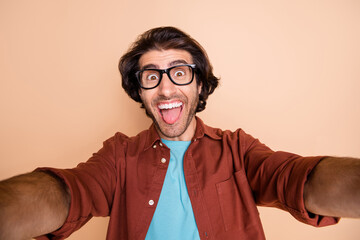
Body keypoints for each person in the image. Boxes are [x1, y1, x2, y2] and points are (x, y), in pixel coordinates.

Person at [0, 26, 359, 240]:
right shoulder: (119, 155)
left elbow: (295, 179)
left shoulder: (237, 149)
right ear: (140, 91)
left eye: (180, 72)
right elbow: (69, 192)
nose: (166, 88)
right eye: (151, 75)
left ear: (201, 86)